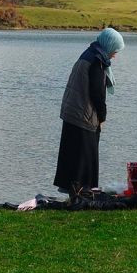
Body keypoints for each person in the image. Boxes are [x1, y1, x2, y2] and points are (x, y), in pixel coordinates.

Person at [53, 26, 123, 200]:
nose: (115, 54)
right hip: (82, 115)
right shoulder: (97, 61)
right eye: (115, 50)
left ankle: (76, 192)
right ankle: (82, 192)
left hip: (73, 112)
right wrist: (102, 117)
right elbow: (97, 94)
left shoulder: (90, 54)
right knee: (85, 155)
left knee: (74, 154)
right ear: (109, 45)